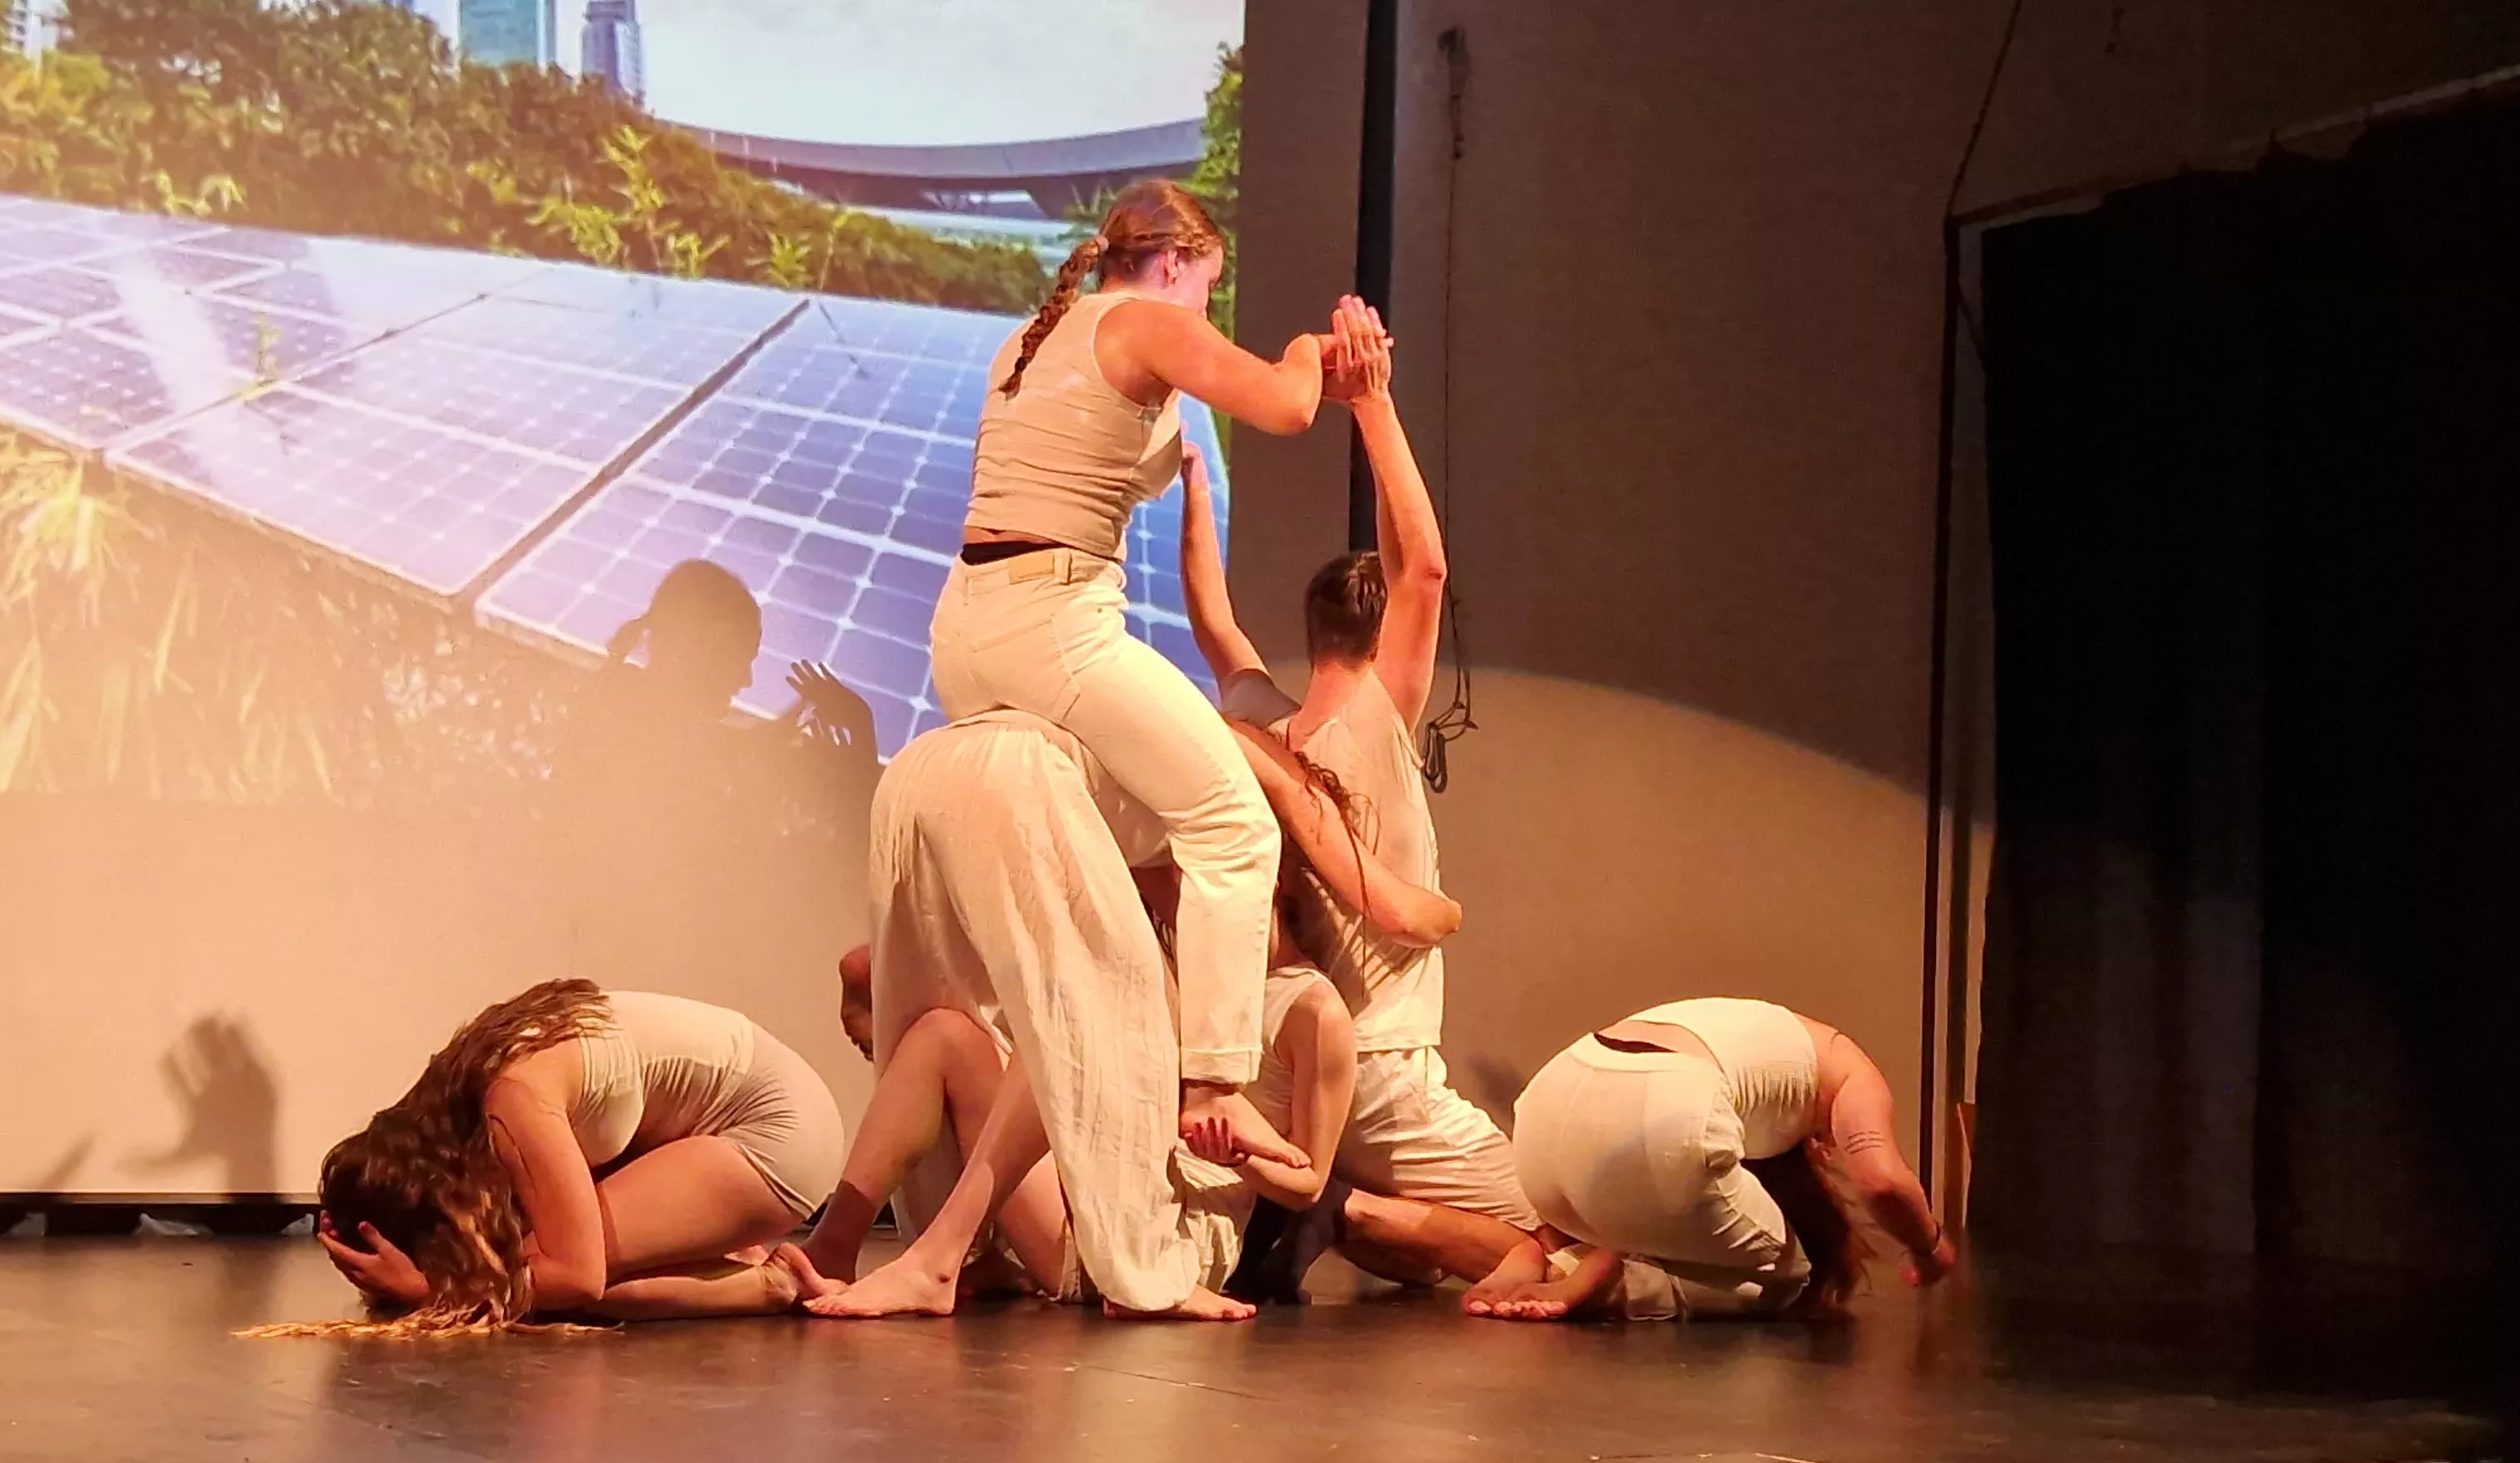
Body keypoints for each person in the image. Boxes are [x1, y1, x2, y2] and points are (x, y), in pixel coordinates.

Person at [937, 174, 1383, 1163]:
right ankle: (1215, 1082)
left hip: (967, 628)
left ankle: (1066, 1082)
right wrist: (1315, 352)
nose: (1205, 313)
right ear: (1173, 262)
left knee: (1130, 837)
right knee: (1229, 819)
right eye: (1208, 287)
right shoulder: (1144, 318)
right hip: (1052, 621)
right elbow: (1283, 406)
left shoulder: (1030, 339)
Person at [794, 705, 1434, 1321]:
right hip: (1084, 1182)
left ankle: (941, 1256)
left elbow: (1306, 1183)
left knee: (1061, 1025)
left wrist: (1225, 1142)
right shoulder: (1159, 962)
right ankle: (834, 1246)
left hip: (1166, 1232)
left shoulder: (1310, 1008)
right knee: (949, 1034)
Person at [1179, 304, 1549, 1282]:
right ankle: (1340, 1211)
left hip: (1304, 1073)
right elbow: (1421, 566)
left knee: (1438, 1263)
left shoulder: (1272, 724)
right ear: (1381, 635)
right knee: (1568, 1232)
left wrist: (1188, 477)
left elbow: (1213, 620)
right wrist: (1371, 403)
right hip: (1382, 1073)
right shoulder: (1376, 718)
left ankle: (1338, 1206)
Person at [252, 983, 844, 1335]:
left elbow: (578, 1276)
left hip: (776, 1134)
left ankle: (771, 1284)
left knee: (550, 1283)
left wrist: (434, 1286)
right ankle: (711, 1243)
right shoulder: (458, 1088)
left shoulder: (511, 1102)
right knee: (528, 1264)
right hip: (732, 1112)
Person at [1464, 998, 1958, 1321]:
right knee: (1793, 1279)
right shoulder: (1852, 1070)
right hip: (1661, 1102)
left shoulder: (1769, 1040)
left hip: (1549, 1105)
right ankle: (1615, 1278)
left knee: (1673, 1204)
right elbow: (1882, 1182)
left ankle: (1547, 1253)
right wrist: (1928, 1246)